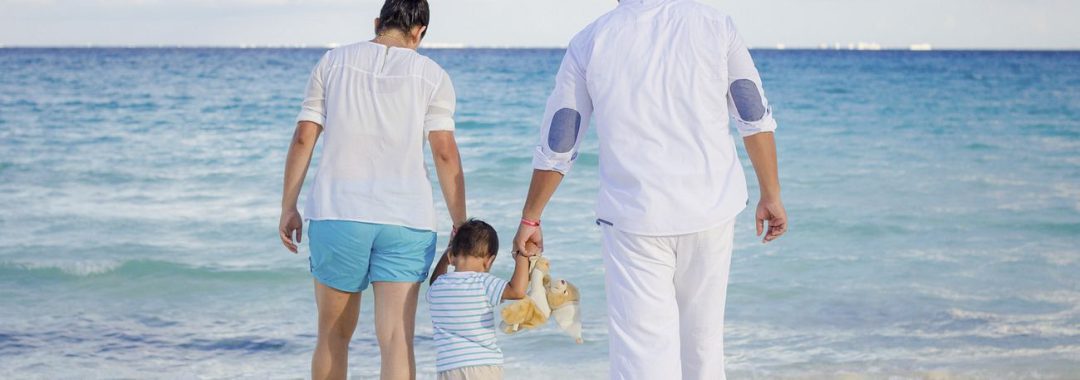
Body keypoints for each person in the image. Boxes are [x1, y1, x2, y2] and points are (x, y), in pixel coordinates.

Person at [510, 0, 788, 379]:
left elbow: (562, 139)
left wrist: (531, 216)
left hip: (633, 219)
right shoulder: (714, 24)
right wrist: (770, 194)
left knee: (640, 359)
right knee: (703, 350)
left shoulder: (591, 40)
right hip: (709, 210)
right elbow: (753, 114)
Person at [277, 1, 466, 379]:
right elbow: (444, 152)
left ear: (378, 23)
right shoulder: (432, 75)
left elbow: (303, 138)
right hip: (407, 220)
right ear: (420, 32)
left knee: (333, 334)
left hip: (339, 213)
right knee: (396, 338)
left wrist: (289, 206)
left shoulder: (332, 63)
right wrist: (460, 222)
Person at [426, 219, 533, 380]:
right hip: (482, 366)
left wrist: (447, 253)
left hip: (448, 368)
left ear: (450, 256)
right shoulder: (483, 282)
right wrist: (522, 255)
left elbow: (434, 280)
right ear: (489, 261)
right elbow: (517, 291)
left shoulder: (437, 287)